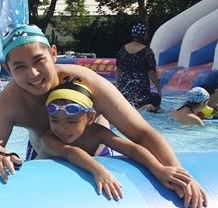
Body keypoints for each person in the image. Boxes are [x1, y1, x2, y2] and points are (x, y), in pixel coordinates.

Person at [0, 24, 207, 208]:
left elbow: (141, 133)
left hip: (97, 148)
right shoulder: (10, 102)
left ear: (53, 54)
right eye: (19, 67)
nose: (32, 74)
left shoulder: (88, 82)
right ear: (8, 70)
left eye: (38, 60)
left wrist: (178, 174)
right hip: (47, 151)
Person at [38, 78, 192, 201]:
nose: (62, 128)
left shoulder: (97, 132)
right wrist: (99, 170)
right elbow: (71, 153)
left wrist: (158, 169)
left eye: (71, 122)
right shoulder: (48, 139)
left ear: (90, 117)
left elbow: (131, 149)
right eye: (54, 120)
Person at [116, 24, 161, 108]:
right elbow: (152, 72)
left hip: (124, 84)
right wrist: (158, 88)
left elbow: (119, 68)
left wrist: (118, 84)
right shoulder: (147, 51)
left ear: (133, 34)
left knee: (126, 104)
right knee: (143, 105)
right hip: (140, 86)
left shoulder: (123, 49)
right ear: (144, 36)